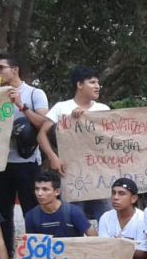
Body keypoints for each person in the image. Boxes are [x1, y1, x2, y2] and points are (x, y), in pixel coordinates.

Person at [0, 54, 51, 258]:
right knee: (1, 214)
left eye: (1, 68)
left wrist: (21, 105)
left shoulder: (34, 93)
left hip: (26, 161)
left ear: (14, 70)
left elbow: (44, 124)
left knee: (31, 210)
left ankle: (36, 257)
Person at [38, 66, 111, 219]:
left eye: (98, 83)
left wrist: (88, 118)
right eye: (92, 82)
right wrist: (53, 157)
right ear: (79, 85)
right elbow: (41, 135)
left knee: (106, 217)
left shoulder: (103, 108)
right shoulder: (62, 107)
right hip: (71, 173)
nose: (97, 86)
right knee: (72, 219)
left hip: (100, 174)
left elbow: (109, 139)